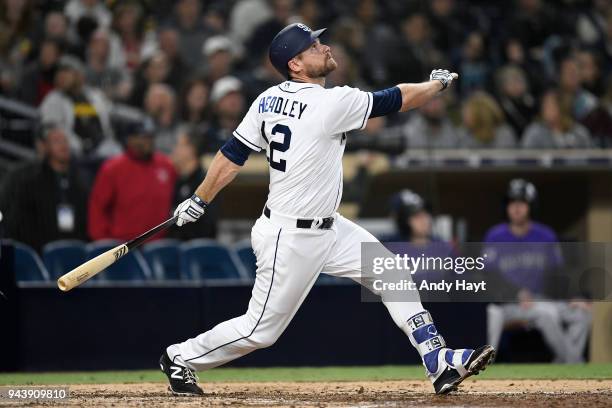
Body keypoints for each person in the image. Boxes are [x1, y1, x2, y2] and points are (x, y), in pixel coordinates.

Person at [160, 23, 494, 397]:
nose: (325, 47)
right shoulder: (330, 102)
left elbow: (232, 156)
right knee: (260, 331)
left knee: (392, 273)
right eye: (313, 45)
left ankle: (438, 360)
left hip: (328, 226)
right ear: (296, 64)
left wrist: (199, 199)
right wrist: (437, 85)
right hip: (290, 237)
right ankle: (181, 356)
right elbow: (397, 98)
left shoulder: (267, 99)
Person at [484, 179, 591, 363]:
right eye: (512, 203)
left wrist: (574, 296)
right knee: (547, 313)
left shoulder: (545, 235)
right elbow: (489, 276)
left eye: (522, 202)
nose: (516, 207)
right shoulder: (495, 236)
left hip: (541, 298)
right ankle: (574, 364)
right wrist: (516, 293)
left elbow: (558, 273)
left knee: (582, 314)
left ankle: (563, 363)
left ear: (531, 206)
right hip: (510, 304)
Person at [0, 124, 88, 253]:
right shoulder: (28, 180)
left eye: (65, 141)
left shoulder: (80, 179)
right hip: (39, 251)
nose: (63, 146)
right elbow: (18, 222)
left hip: (75, 249)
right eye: (57, 141)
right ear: (44, 146)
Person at [88, 118, 176, 241]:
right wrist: (104, 243)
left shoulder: (166, 166)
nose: (149, 141)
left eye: (150, 137)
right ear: (130, 139)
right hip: (123, 245)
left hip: (158, 245)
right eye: (143, 137)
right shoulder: (113, 168)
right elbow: (97, 208)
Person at [40, 55, 120, 159]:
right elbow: (52, 130)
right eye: (59, 72)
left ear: (80, 75)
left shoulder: (94, 95)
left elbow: (112, 112)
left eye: (67, 72)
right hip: (78, 153)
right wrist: (78, 147)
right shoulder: (53, 100)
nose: (61, 76)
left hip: (103, 146)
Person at [169, 128, 219, 240]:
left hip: (198, 250)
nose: (174, 150)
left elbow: (207, 227)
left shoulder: (206, 183)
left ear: (191, 150)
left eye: (179, 145)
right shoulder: (178, 180)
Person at [521, 90, 592, 149]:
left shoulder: (579, 133)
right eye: (544, 106)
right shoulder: (534, 132)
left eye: (550, 105)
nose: (546, 109)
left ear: (562, 108)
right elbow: (526, 159)